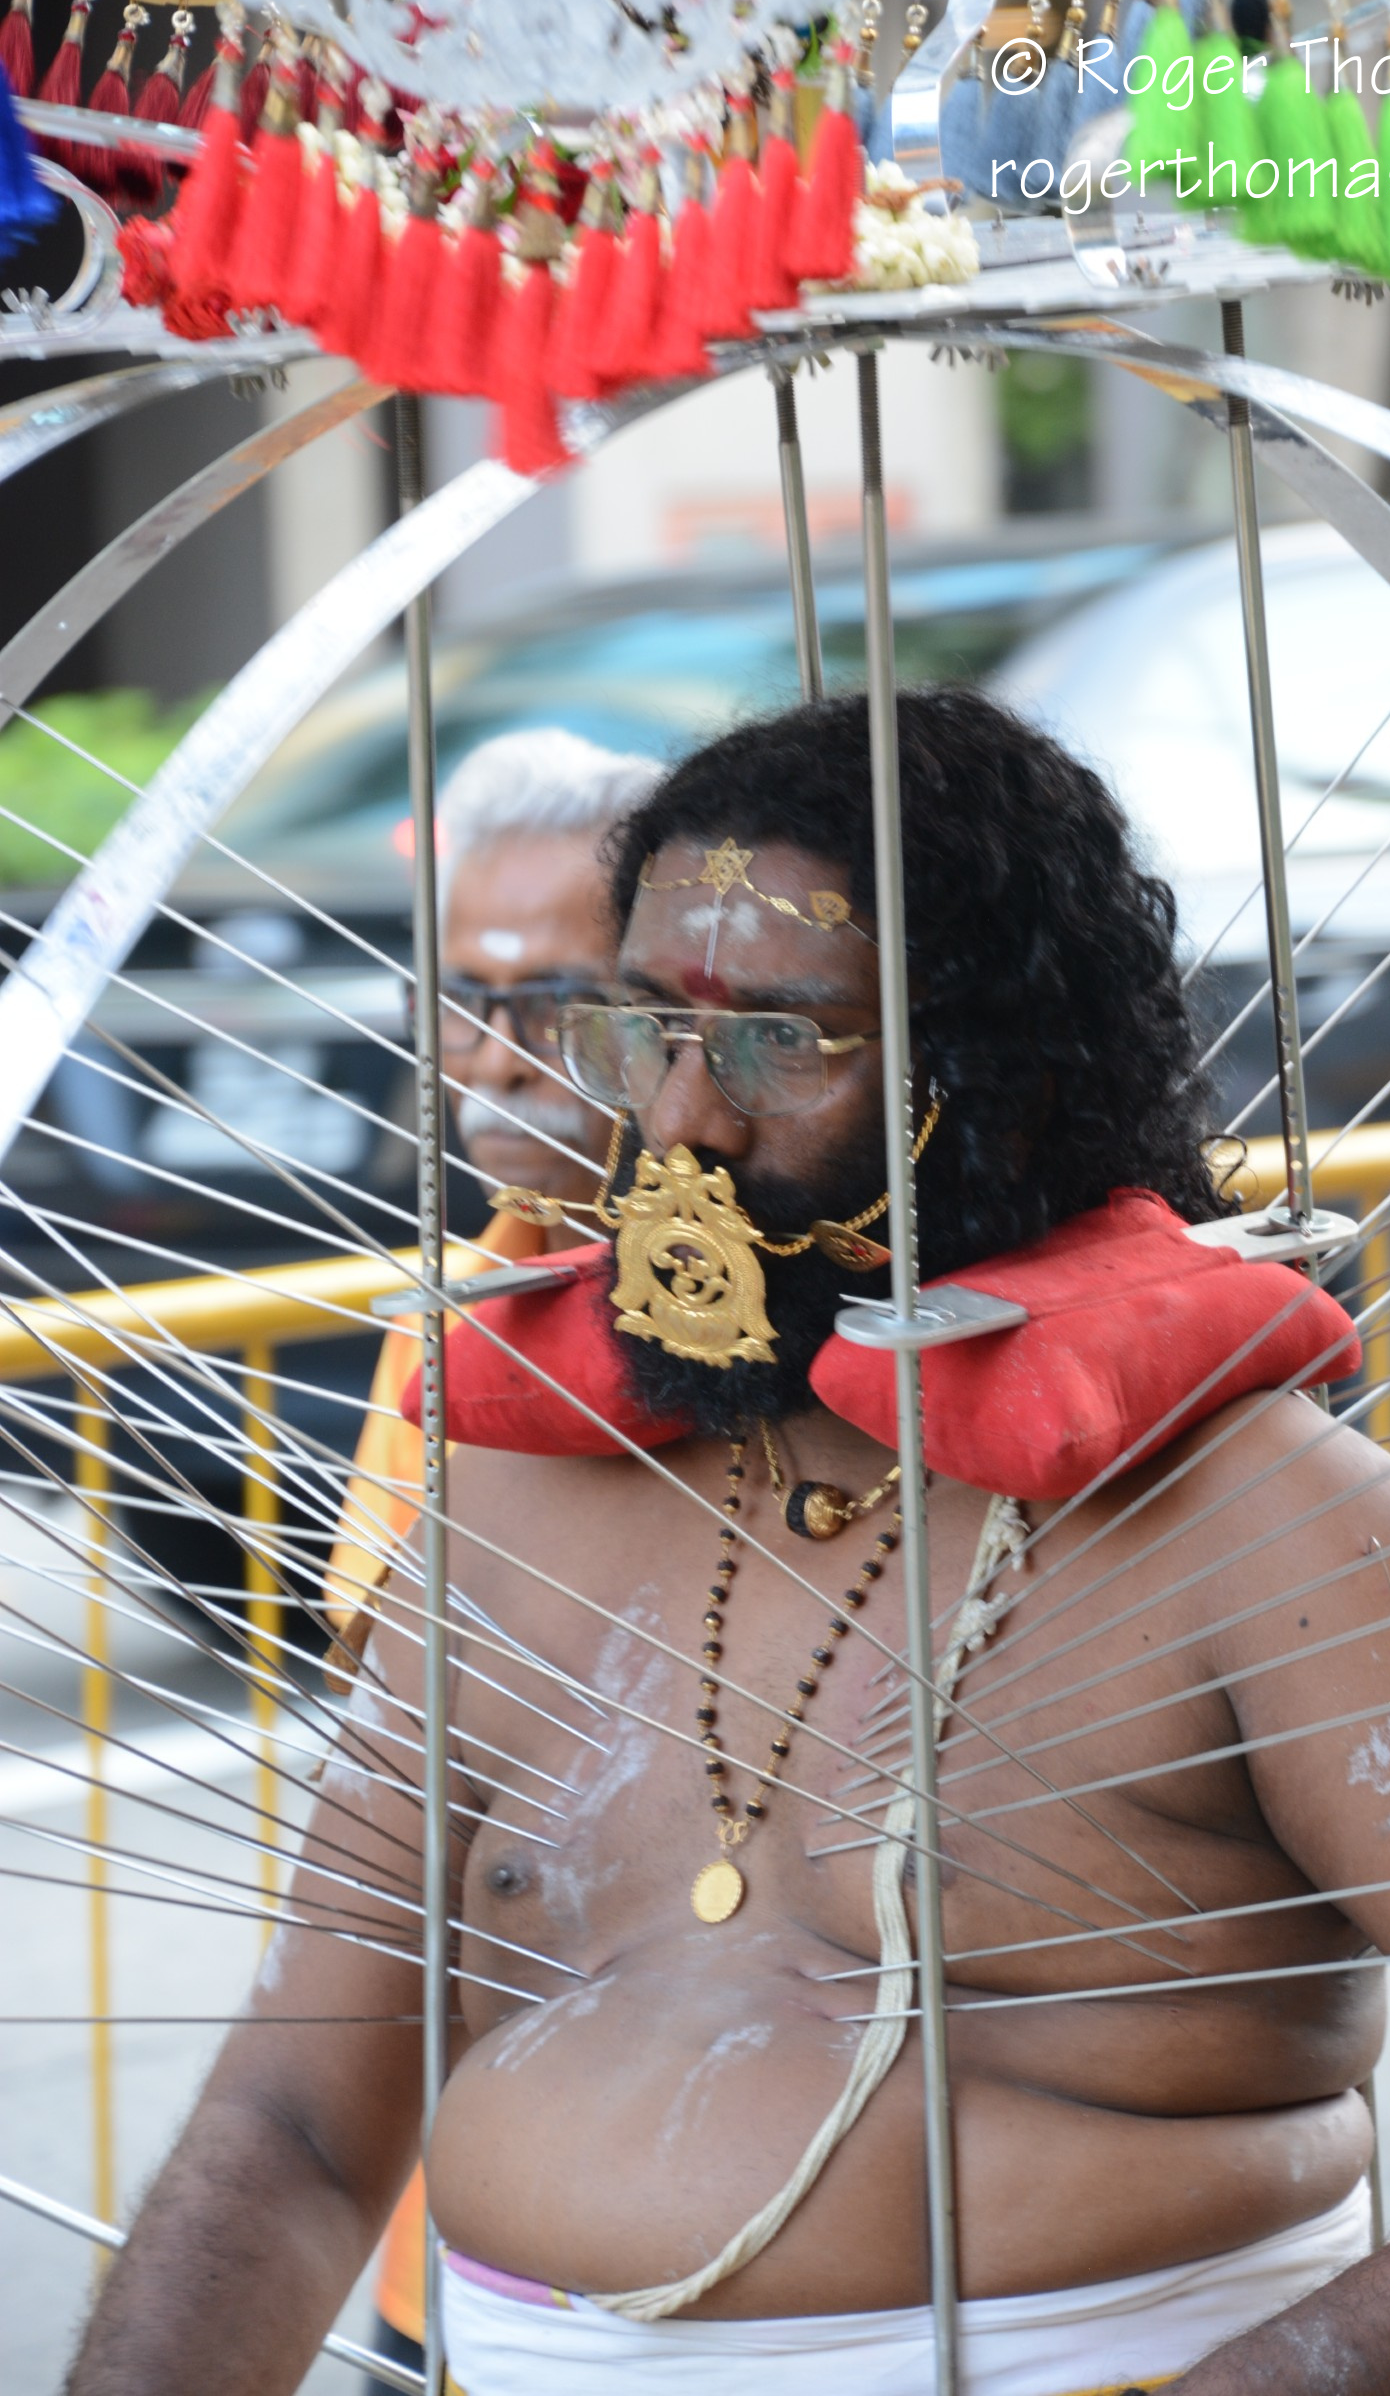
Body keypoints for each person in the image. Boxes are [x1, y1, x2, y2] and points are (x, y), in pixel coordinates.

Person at [67, 688, 1390, 2396]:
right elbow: (291, 2127)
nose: (686, 1123)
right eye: (642, 1029)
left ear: (998, 1079)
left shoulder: (1260, 1526)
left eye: (783, 1041)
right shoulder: (512, 1501)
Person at [324, 723, 659, 2387]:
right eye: (461, 999)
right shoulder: (459, 1325)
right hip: (458, 2233)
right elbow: (395, 1801)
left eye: (552, 1008)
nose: (489, 1058)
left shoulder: (838, 1330)